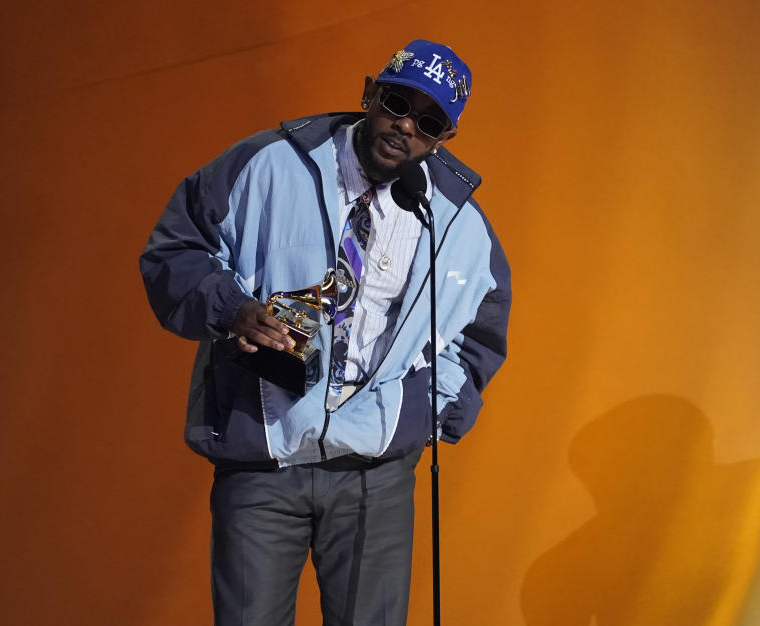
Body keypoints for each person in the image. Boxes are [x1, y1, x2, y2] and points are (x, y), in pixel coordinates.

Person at [140, 39, 510, 626]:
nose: (405, 126)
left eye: (429, 121)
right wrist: (232, 309)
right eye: (396, 102)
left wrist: (426, 415)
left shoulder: (456, 219)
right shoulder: (267, 164)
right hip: (263, 457)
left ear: (444, 139)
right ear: (369, 92)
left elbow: (482, 328)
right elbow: (175, 251)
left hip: (377, 478)